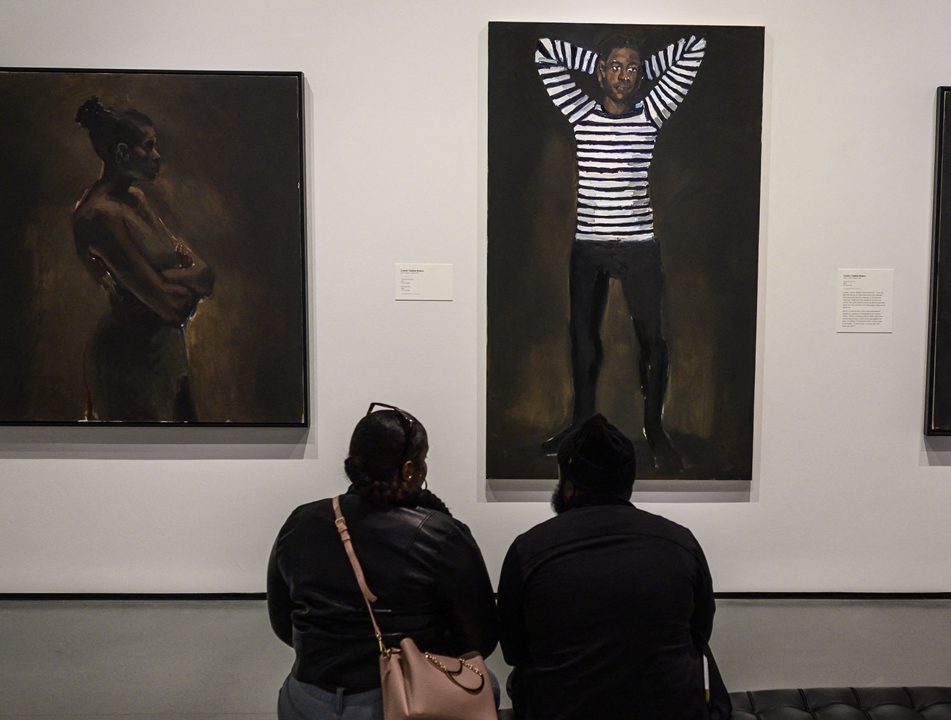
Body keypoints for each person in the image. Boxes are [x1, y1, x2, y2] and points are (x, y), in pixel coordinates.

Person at [535, 33, 707, 472]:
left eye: (632, 68)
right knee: (584, 341)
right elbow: (545, 54)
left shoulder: (651, 113)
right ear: (599, 72)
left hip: (639, 245)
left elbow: (694, 50)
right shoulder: (580, 112)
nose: (623, 76)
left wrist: (641, 66)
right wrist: (600, 58)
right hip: (589, 244)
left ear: (641, 74)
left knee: (653, 342)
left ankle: (655, 429)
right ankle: (580, 425)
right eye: (615, 67)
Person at [268, 404, 500, 719]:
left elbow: (283, 623)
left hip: (307, 698)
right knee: (490, 685)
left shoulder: (300, 521)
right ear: (408, 470)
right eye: (423, 459)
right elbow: (480, 640)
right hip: (395, 701)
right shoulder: (441, 533)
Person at [497, 413, 731, 720]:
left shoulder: (528, 549)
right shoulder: (680, 542)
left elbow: (513, 650)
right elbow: (700, 633)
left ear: (569, 486)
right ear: (628, 485)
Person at [73, 96, 214, 422]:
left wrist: (161, 281)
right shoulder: (98, 216)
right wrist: (176, 280)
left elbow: (204, 275)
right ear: (121, 152)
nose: (157, 155)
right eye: (148, 146)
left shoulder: (136, 199)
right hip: (128, 363)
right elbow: (173, 305)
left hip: (164, 352)